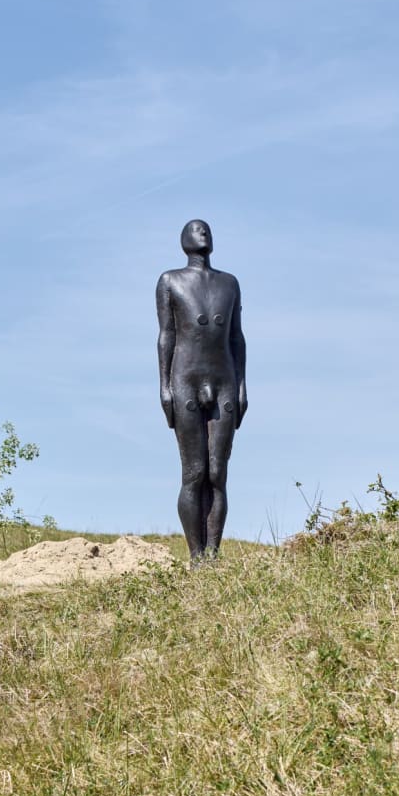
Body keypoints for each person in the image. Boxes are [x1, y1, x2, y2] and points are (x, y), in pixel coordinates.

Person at [156, 219, 247, 560]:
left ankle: (213, 554)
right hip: (186, 380)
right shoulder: (170, 281)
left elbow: (236, 337)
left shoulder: (229, 283)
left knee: (218, 473)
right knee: (194, 472)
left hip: (223, 380)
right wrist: (165, 386)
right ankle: (196, 556)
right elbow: (166, 335)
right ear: (183, 239)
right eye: (195, 228)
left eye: (206, 228)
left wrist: (241, 385)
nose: (202, 231)